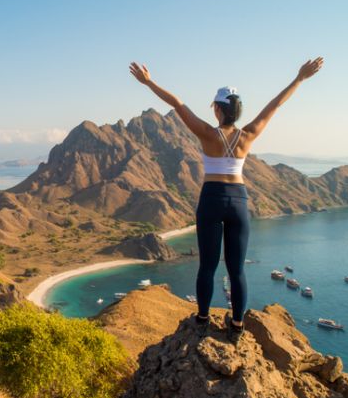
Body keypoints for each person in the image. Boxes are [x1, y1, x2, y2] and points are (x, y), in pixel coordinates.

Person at [129, 57, 324, 340]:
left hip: (211, 200)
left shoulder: (207, 134)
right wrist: (299, 78)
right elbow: (275, 105)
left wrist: (148, 83)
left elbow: (177, 104)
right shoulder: (249, 134)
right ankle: (236, 326)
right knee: (236, 271)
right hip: (239, 202)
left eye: (213, 106)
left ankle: (203, 319)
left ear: (218, 109)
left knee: (207, 266)